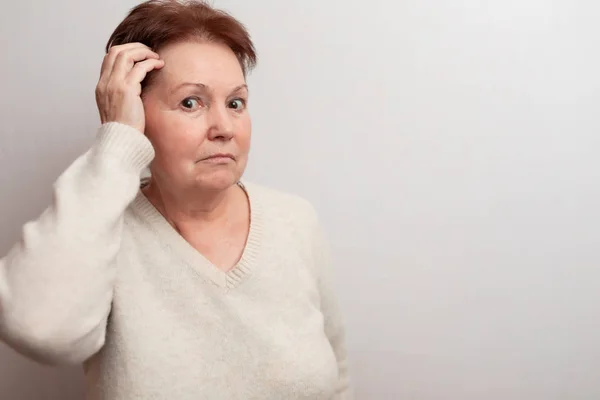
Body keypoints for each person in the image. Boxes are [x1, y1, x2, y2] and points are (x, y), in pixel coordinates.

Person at [0, 0, 352, 399]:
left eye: (235, 102)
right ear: (136, 113)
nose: (224, 127)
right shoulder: (100, 231)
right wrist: (117, 141)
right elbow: (40, 328)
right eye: (191, 102)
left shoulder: (295, 221)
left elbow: (337, 379)